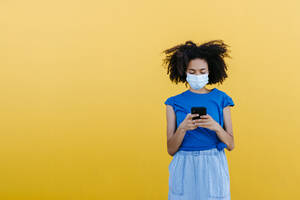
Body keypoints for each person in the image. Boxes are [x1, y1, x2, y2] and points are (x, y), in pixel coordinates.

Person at [162, 40, 235, 200]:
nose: (197, 76)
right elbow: (170, 149)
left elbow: (230, 144)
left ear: (210, 72)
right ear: (184, 72)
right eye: (192, 72)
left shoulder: (222, 99)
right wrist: (182, 128)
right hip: (184, 165)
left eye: (202, 71)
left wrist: (216, 127)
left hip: (213, 163)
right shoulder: (173, 103)